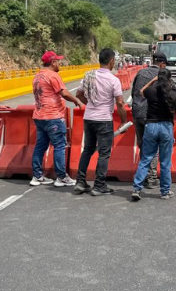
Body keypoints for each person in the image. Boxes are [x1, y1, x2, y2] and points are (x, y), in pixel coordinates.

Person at [74, 48, 128, 196]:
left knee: (88, 149)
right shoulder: (113, 80)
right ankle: (99, 185)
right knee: (104, 153)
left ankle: (80, 181)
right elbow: (120, 102)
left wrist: (90, 102)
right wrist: (124, 121)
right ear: (111, 61)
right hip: (104, 119)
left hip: (89, 117)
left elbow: (78, 94)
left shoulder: (89, 76)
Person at [29, 51, 84, 187]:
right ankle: (61, 177)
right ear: (53, 62)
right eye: (58, 61)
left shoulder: (37, 76)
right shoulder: (53, 76)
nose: (60, 63)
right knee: (59, 146)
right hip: (53, 116)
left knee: (40, 147)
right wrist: (77, 100)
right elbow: (64, 93)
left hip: (39, 116)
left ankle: (37, 176)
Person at [131, 69, 176, 201]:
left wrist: (152, 81)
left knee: (146, 159)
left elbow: (140, 92)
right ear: (169, 79)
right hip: (166, 127)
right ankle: (165, 191)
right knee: (165, 162)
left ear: (158, 79)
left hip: (151, 127)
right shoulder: (173, 94)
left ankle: (137, 189)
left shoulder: (151, 91)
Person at [131, 52, 167, 189]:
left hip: (138, 114)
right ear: (162, 64)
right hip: (152, 115)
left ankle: (143, 176)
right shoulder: (162, 75)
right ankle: (151, 178)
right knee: (153, 148)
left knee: (143, 146)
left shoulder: (140, 73)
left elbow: (135, 92)